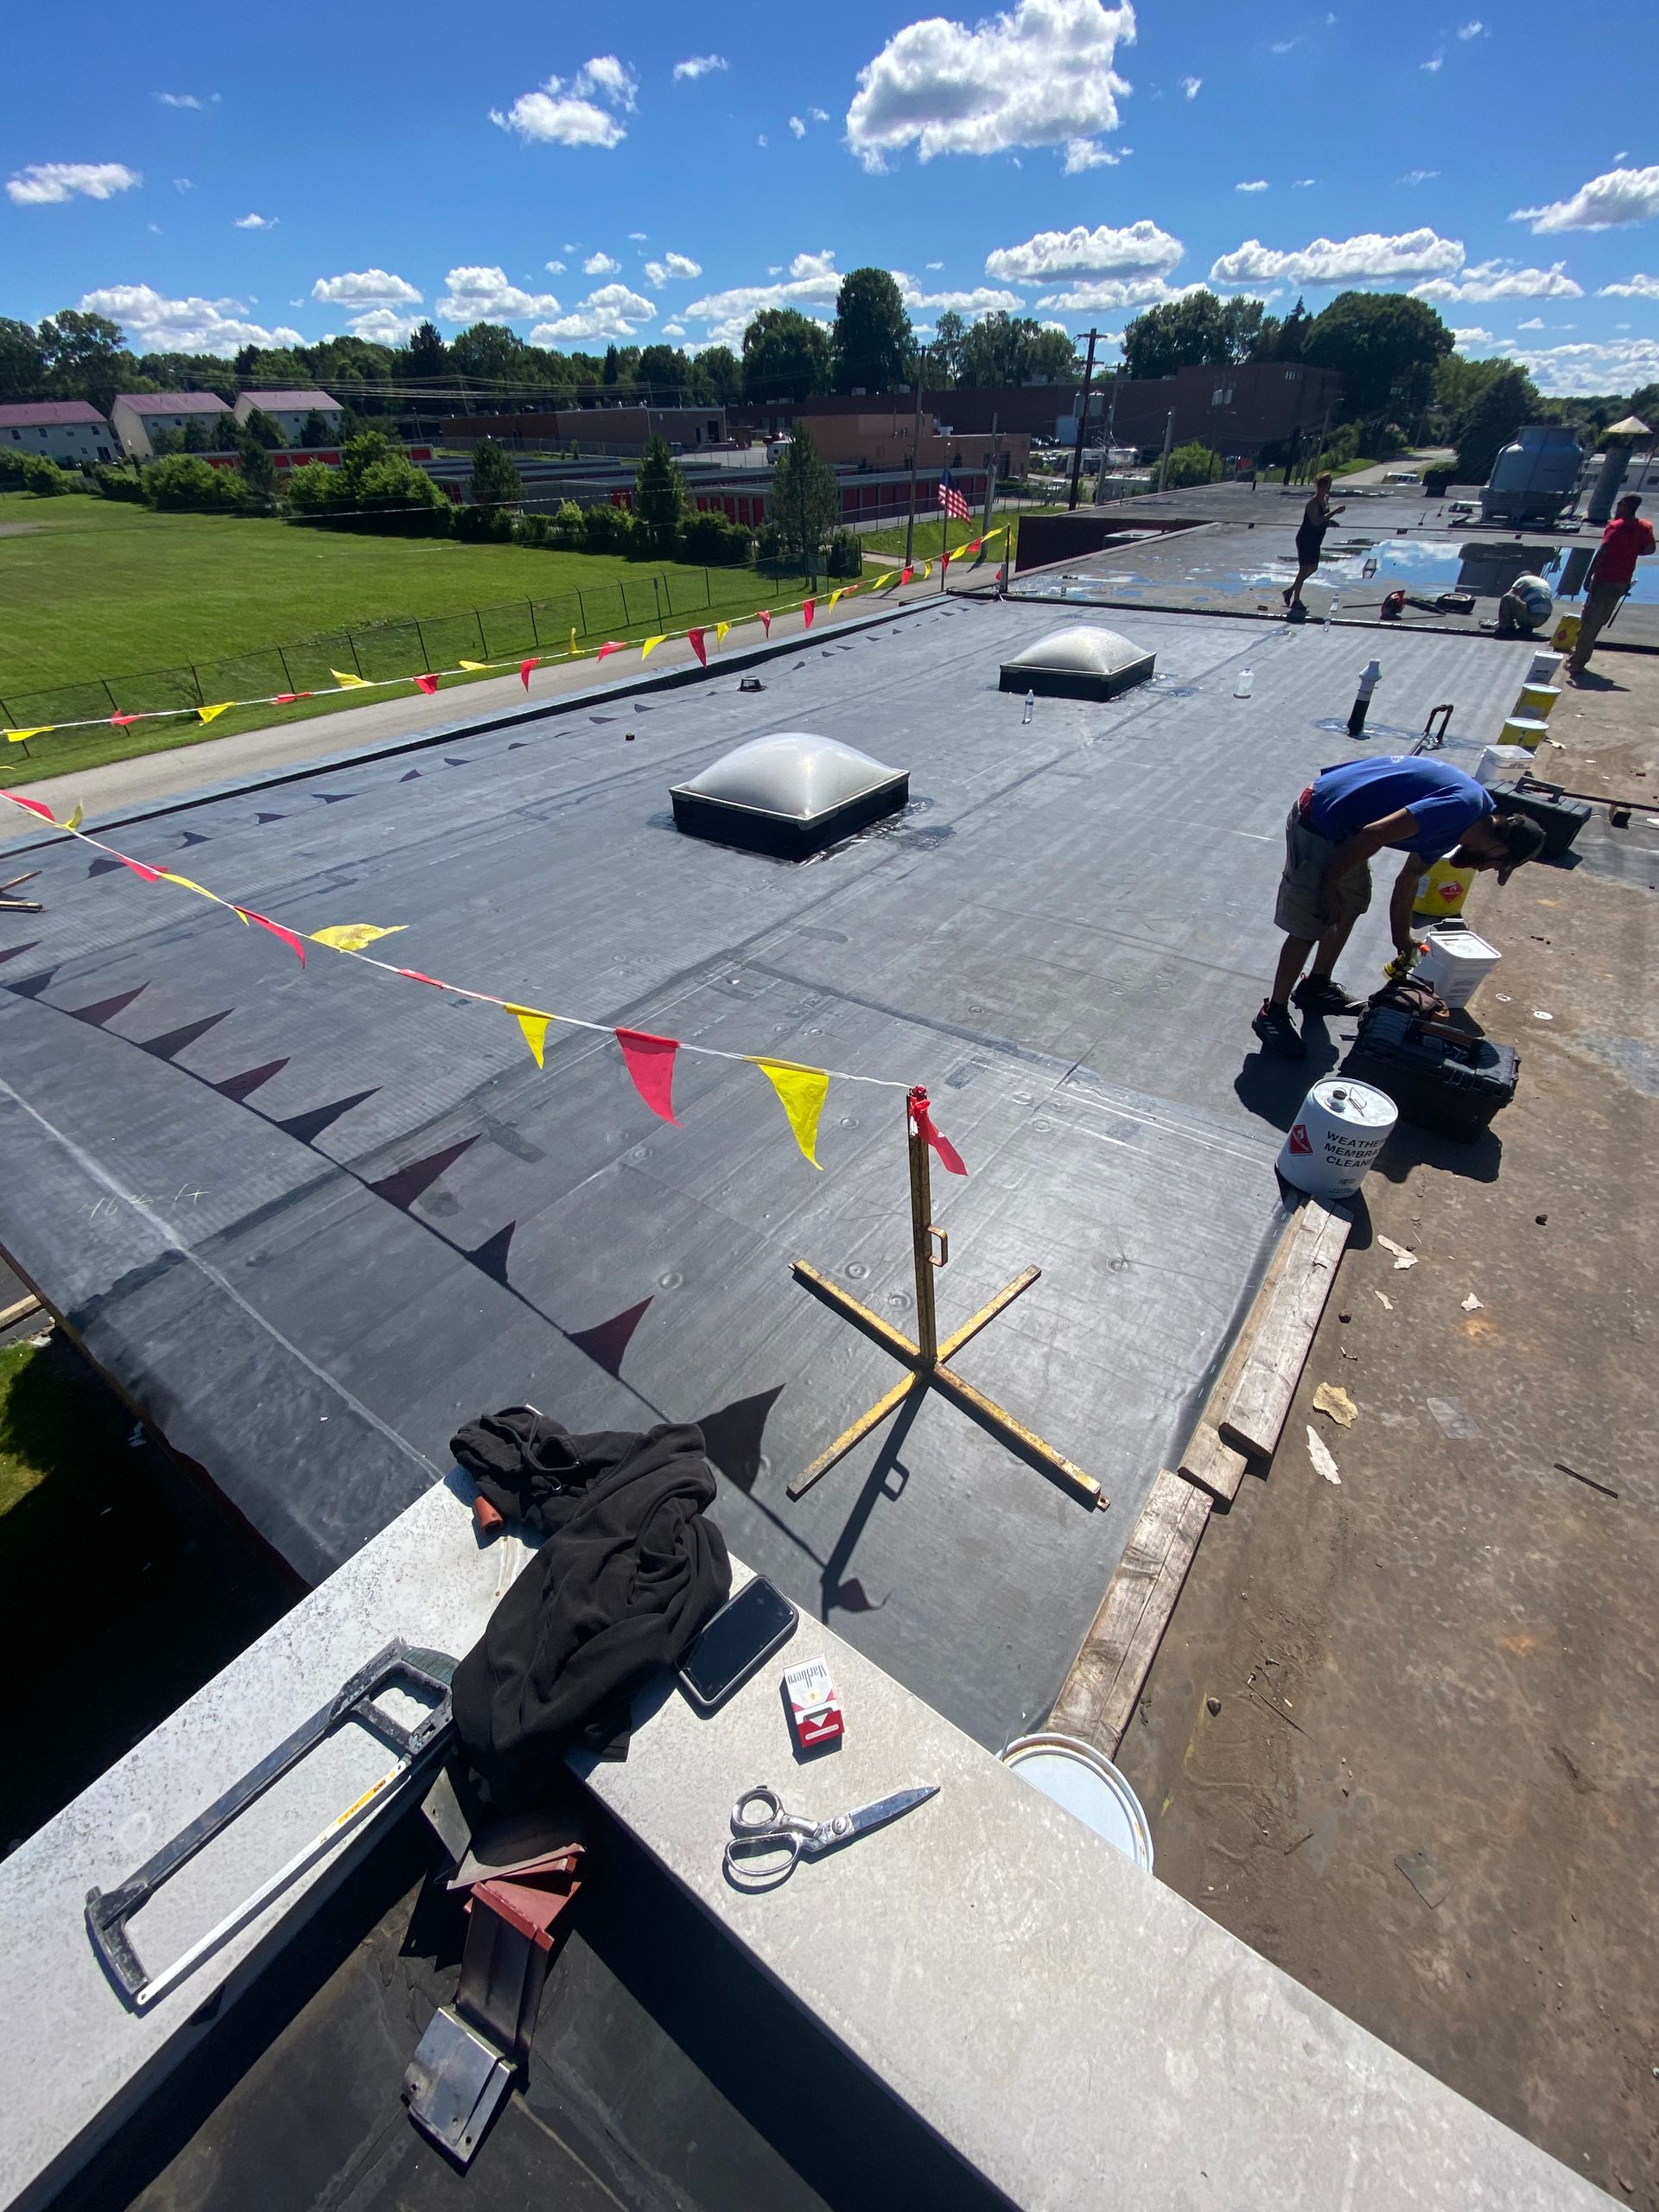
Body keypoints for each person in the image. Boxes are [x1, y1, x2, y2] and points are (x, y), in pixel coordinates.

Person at [1253, 754, 1548, 1058]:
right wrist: (1326, 887)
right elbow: (1374, 834)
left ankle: (1316, 986)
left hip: (1351, 826)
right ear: (1498, 847)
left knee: (1351, 903)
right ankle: (1272, 1013)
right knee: (1312, 918)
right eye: (1497, 865)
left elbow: (1408, 880)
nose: (1485, 870)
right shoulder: (1460, 810)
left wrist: (1402, 940)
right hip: (1322, 815)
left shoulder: (1462, 827)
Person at [1567, 493, 1655, 677]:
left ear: (1624, 505)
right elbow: (1650, 549)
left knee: (1589, 622)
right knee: (1599, 621)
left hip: (1604, 580)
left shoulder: (1615, 526)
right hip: (1622, 582)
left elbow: (1603, 552)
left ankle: (1577, 662)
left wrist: (1588, 575)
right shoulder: (1645, 527)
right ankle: (1578, 656)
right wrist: (1631, 552)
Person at [1283, 473, 1344, 613]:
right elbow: (1316, 521)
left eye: (1329, 486)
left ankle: (1290, 590)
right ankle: (1296, 600)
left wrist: (1329, 522)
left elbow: (1322, 520)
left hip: (1316, 539)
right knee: (1304, 569)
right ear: (1320, 487)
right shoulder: (1312, 504)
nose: (1328, 489)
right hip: (1306, 539)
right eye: (1326, 486)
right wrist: (1334, 513)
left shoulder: (1326, 499)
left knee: (1314, 567)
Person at [1492, 570, 1554, 638]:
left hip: (1531, 617)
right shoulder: (1543, 583)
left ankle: (1507, 627)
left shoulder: (1522, 580)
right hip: (1543, 618)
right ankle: (1526, 628)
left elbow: (1510, 595)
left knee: (1507, 598)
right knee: (1530, 602)